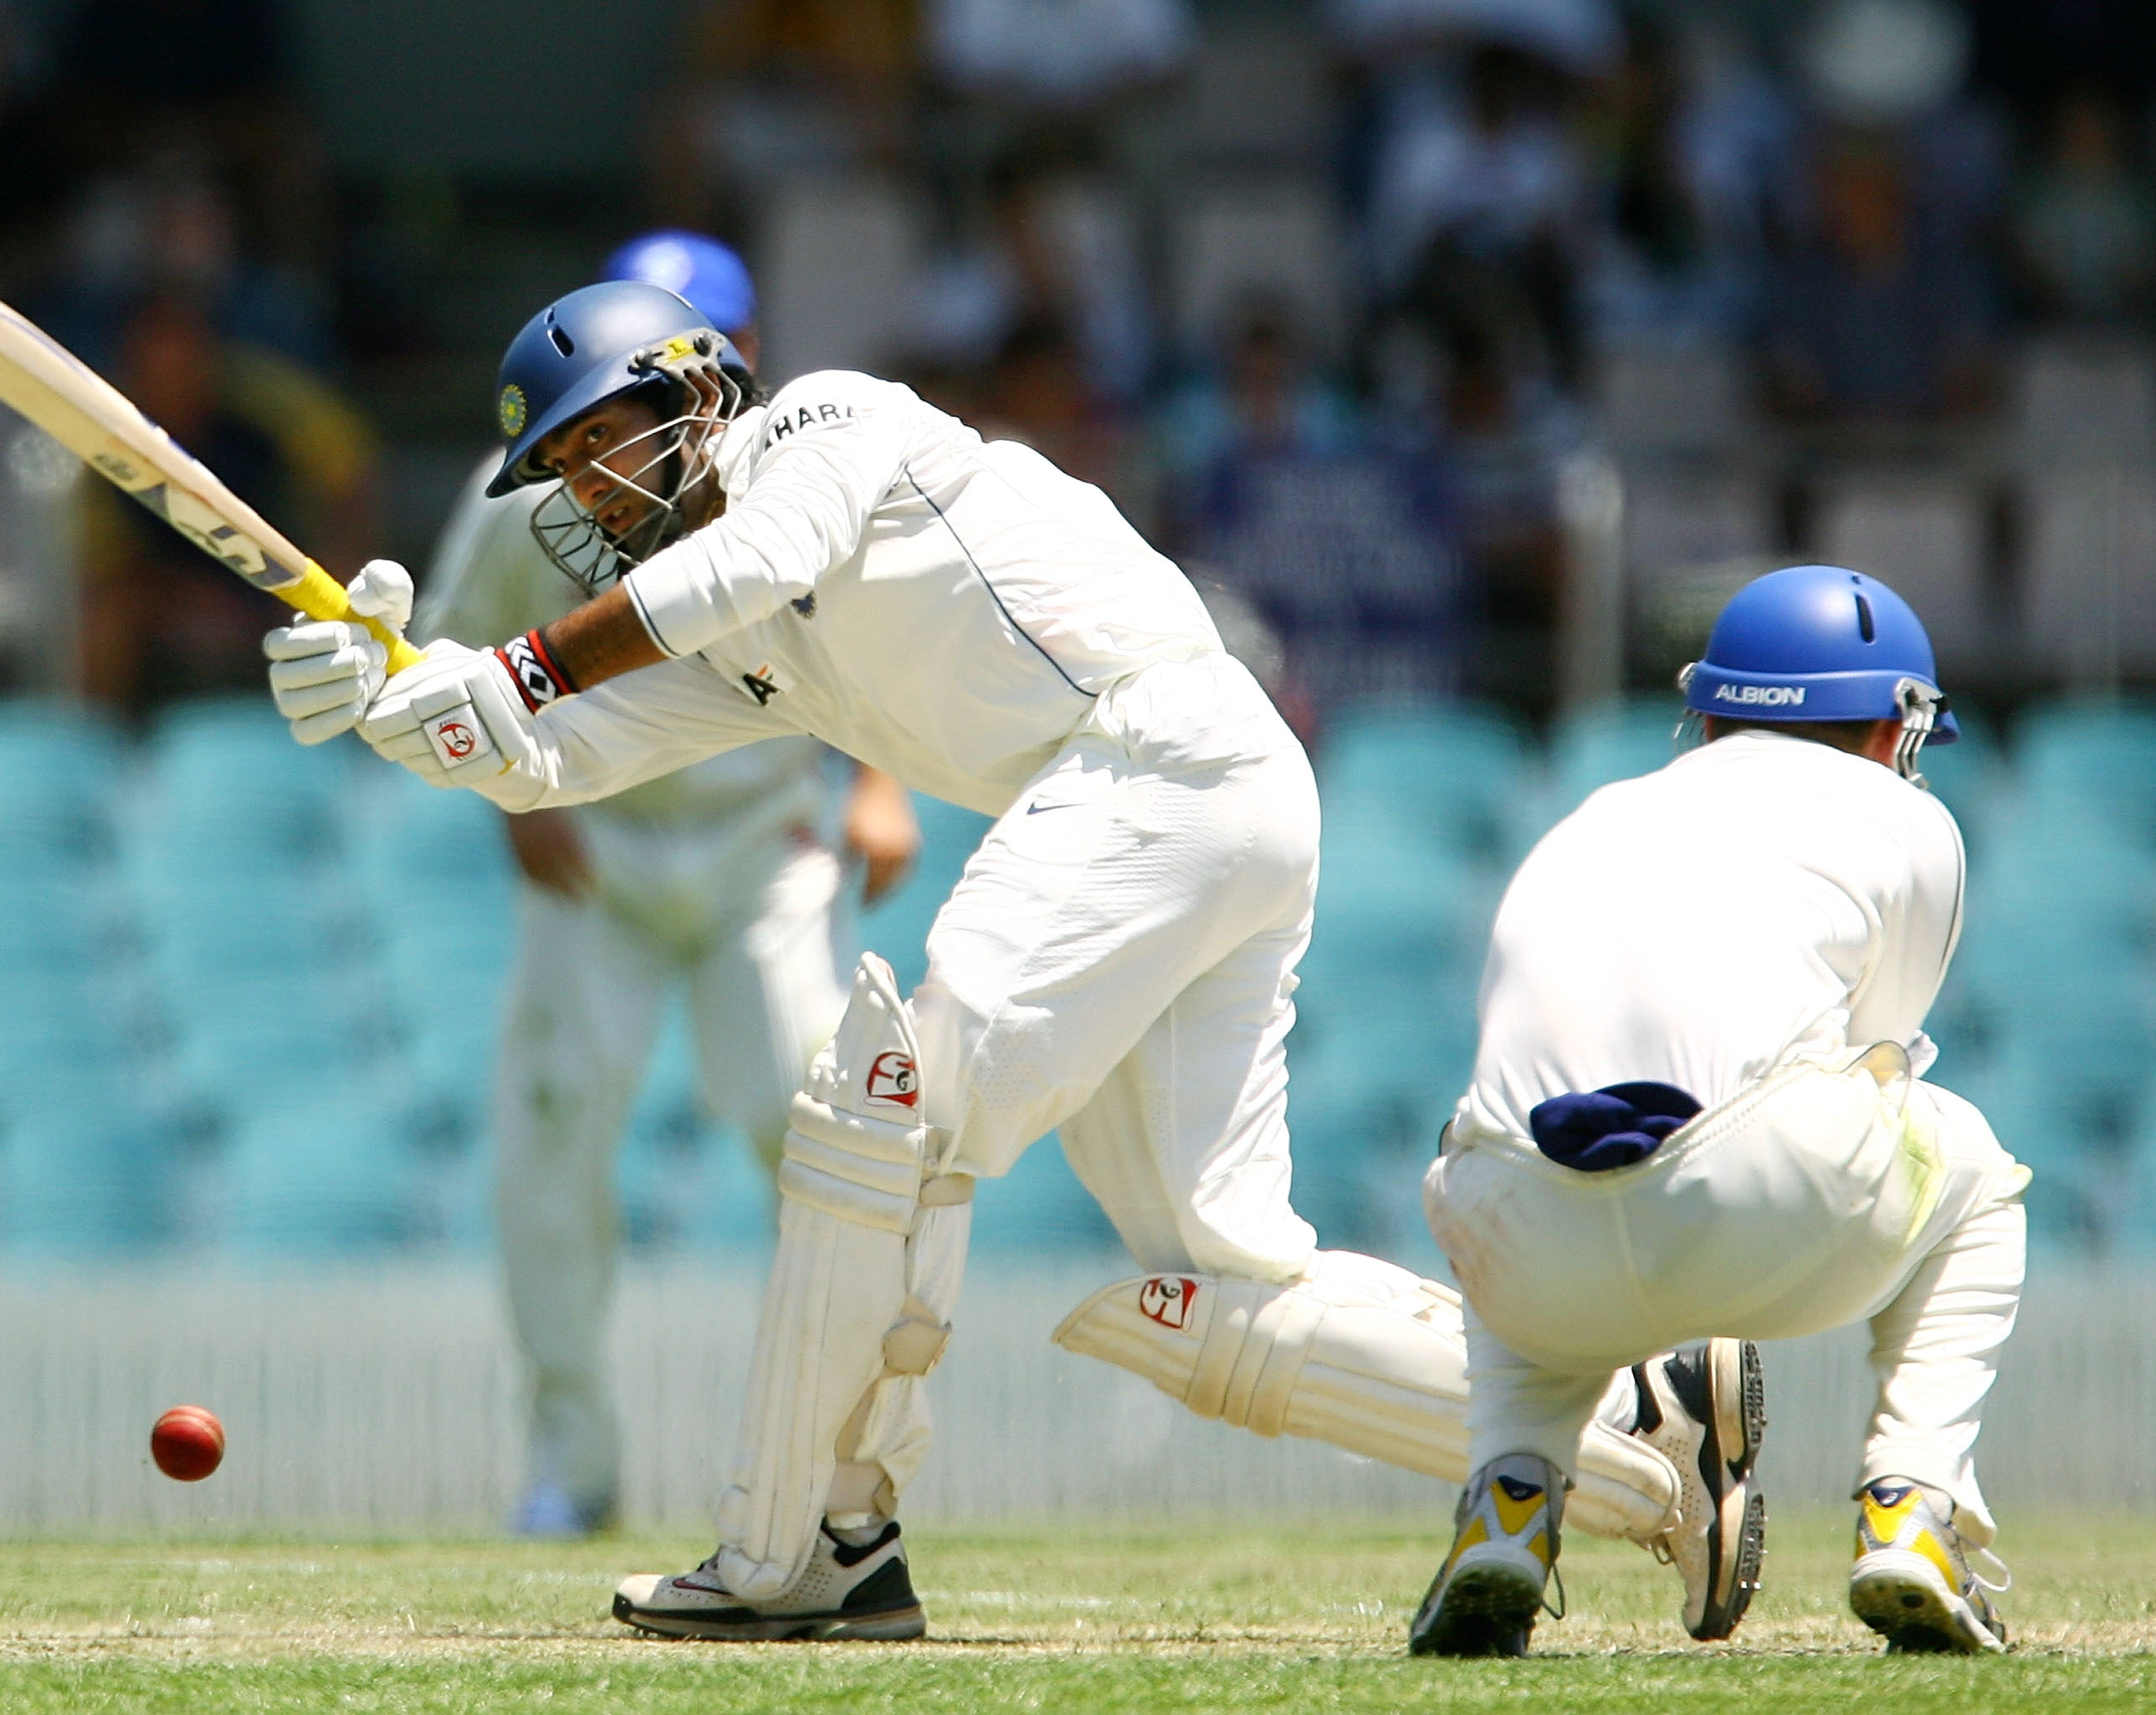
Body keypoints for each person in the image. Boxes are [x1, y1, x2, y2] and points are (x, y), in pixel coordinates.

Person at [260, 279, 1756, 1642]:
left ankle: (810, 1541)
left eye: (603, 446)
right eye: (568, 480)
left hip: (1155, 753)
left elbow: (734, 573)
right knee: (1214, 1282)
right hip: (1173, 805)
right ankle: (1643, 1423)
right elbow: (552, 754)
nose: (590, 493)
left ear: (699, 389)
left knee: (891, 1104)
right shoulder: (733, 641)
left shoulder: (830, 423)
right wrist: (403, 702)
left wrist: (507, 664)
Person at [400, 233, 919, 1536]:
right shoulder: (526, 491)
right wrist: (501, 798)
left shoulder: (798, 465)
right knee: (554, 1141)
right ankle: (571, 1467)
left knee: (809, 1132)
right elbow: (452, 657)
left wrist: (879, 778)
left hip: (763, 852)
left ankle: (839, 1476)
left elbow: (847, 621)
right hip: (599, 857)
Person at [1414, 564, 2025, 1658]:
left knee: (1511, 1151)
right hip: (1755, 1198)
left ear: (1708, 710)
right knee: (1975, 1171)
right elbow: (1873, 1058)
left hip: (1512, 1232)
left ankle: (1506, 1505)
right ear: (1898, 724)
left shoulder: (1598, 808)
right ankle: (1911, 1510)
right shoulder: (1905, 818)